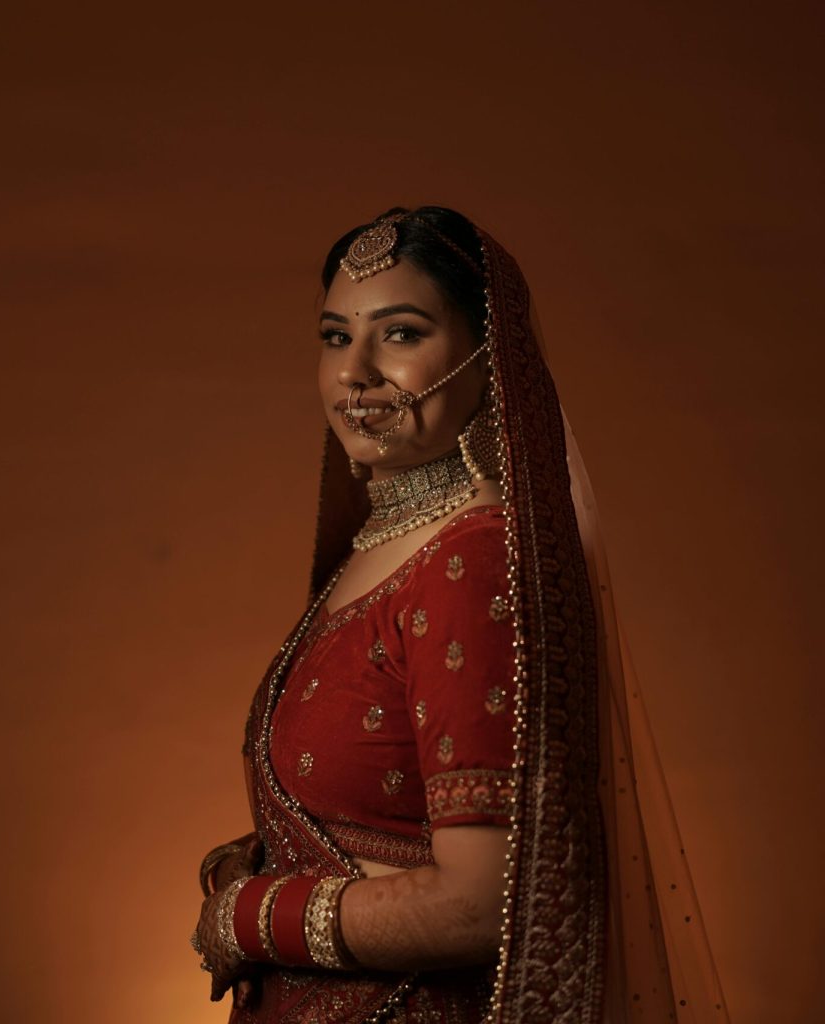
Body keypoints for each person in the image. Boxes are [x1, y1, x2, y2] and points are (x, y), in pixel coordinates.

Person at [191, 207, 730, 1023]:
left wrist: (252, 914)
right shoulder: (384, 542)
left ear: (488, 357)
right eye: (336, 337)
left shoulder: (471, 559)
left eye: (400, 334)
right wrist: (260, 858)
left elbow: (485, 901)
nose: (355, 373)